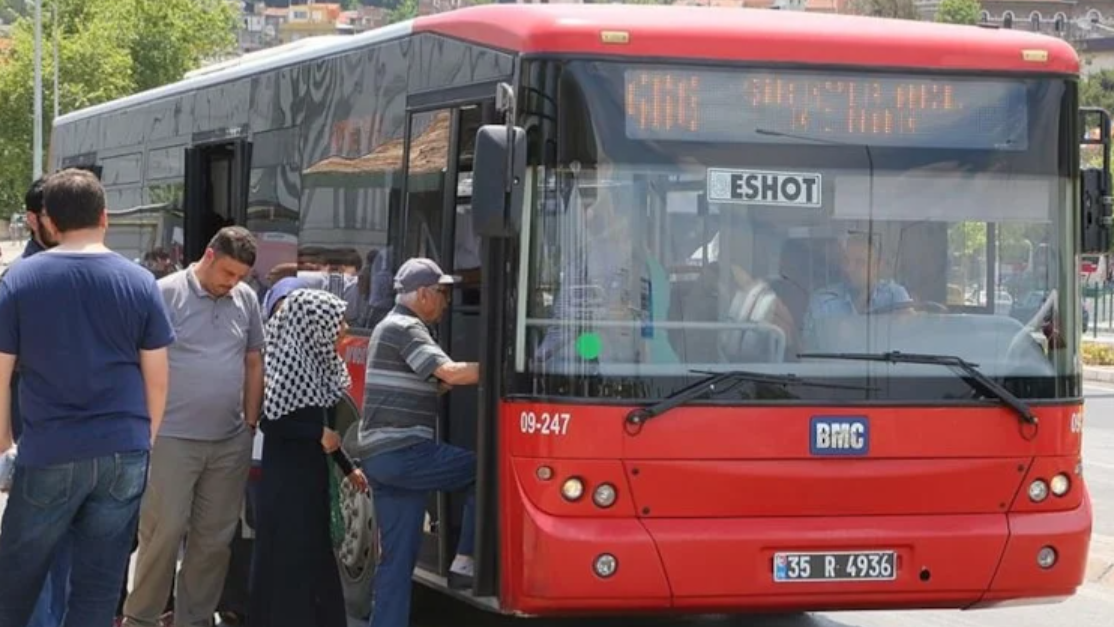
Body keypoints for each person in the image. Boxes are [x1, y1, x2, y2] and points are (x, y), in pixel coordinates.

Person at [0, 168, 174, 626]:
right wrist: (146, 437)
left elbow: (0, 373)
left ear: (49, 222)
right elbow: (157, 376)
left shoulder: (19, 280)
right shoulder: (140, 282)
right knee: (97, 591)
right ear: (105, 217)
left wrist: (4, 442)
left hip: (50, 448)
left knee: (15, 582)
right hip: (124, 449)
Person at [123, 227, 264, 627]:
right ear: (208, 256)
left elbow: (254, 360)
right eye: (228, 273)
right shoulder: (164, 293)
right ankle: (142, 618)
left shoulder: (246, 299)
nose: (232, 282)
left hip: (229, 441)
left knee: (214, 540)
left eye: (240, 276)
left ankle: (195, 619)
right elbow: (138, 361)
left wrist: (249, 423)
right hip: (170, 439)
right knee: (162, 534)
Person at [354, 257, 480, 627]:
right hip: (403, 452)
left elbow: (435, 384)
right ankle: (465, 561)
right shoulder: (406, 327)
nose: (447, 302)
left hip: (382, 458)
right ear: (424, 294)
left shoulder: (388, 326)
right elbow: (450, 374)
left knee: (395, 563)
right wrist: (507, 369)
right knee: (486, 471)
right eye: (443, 293)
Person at [248, 288, 368, 627]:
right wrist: (316, 434)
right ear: (312, 325)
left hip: (309, 481)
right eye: (337, 321)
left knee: (313, 560)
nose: (344, 329)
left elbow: (326, 430)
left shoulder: (316, 365)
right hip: (288, 486)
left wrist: (347, 467)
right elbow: (273, 422)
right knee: (290, 565)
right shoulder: (287, 366)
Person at [0, 177, 70, 627]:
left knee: (70, 553)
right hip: (36, 433)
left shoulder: (90, 268)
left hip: (83, 439)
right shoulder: (18, 280)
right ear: (32, 220)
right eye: (54, 215)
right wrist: (6, 442)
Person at [801, 232, 913, 346]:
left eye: (859, 262)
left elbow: (908, 340)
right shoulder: (823, 301)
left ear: (876, 266)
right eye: (845, 261)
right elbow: (808, 349)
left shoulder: (894, 296)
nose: (849, 268)